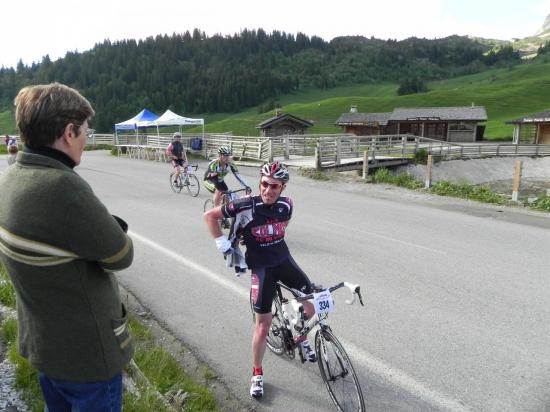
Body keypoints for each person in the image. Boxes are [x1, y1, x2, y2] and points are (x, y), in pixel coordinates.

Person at [0, 83, 134, 411]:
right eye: (86, 130)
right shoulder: (64, 188)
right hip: (85, 357)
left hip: (46, 347)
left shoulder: (12, 176)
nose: (87, 139)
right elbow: (121, 254)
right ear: (69, 132)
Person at [204, 161, 316, 399]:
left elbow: (282, 227)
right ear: (259, 183)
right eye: (264, 184)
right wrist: (220, 241)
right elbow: (209, 216)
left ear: (282, 188)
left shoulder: (287, 205)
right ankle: (256, 372)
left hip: (284, 260)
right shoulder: (244, 205)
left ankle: (299, 333)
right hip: (262, 268)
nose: (268, 190)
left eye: (274, 186)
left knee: (311, 303)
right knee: (263, 326)